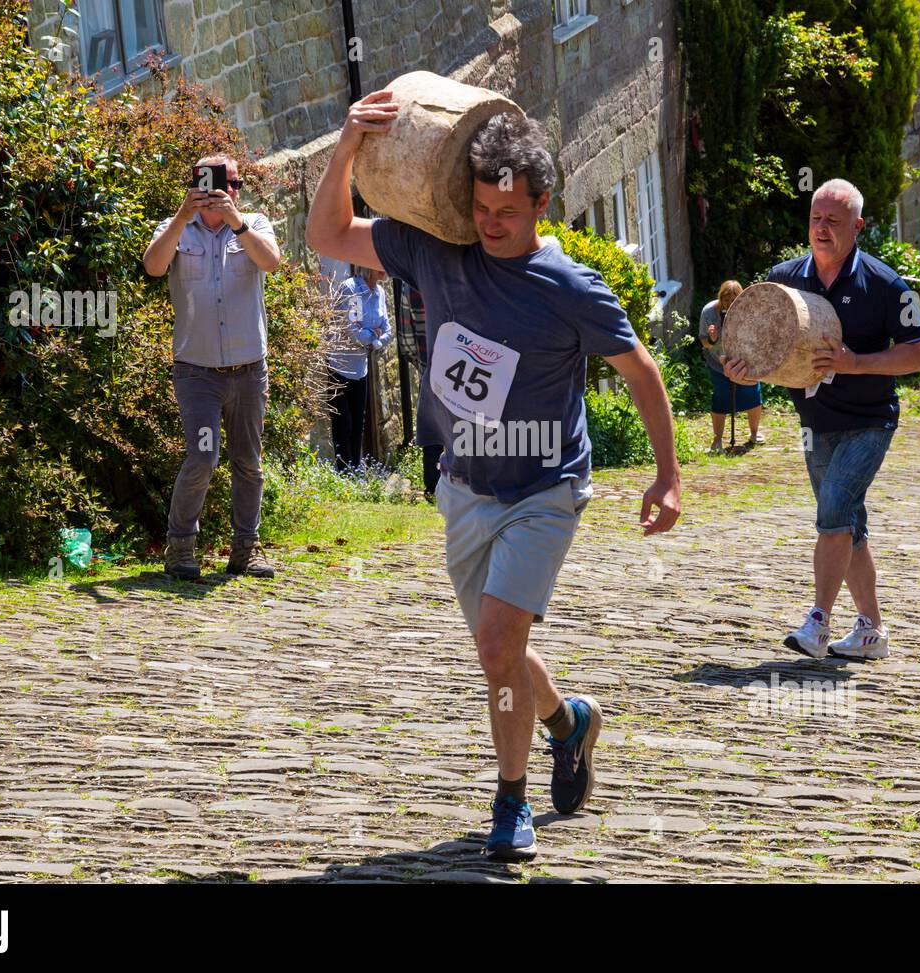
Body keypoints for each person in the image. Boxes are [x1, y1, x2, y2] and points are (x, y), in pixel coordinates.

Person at [306, 91, 681, 861]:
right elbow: (329, 233)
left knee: (497, 639)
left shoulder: (571, 286)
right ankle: (569, 723)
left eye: (506, 211)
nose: (490, 223)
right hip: (466, 484)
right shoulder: (435, 252)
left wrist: (667, 475)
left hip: (545, 487)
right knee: (496, 648)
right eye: (480, 208)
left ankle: (509, 802)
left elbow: (641, 371)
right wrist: (346, 145)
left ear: (541, 203)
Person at [723, 179, 920, 662]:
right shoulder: (784, 279)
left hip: (869, 421)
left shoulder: (884, 284)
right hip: (814, 421)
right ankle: (871, 631)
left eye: (833, 221)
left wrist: (857, 362)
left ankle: (817, 622)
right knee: (848, 525)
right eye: (816, 219)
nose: (821, 228)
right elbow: (765, 348)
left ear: (857, 227)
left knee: (834, 510)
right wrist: (743, 367)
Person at [143, 153, 282, 579]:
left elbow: (271, 262)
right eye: (216, 184)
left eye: (234, 184)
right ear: (195, 185)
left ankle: (246, 549)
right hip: (198, 372)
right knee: (202, 456)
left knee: (248, 461)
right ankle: (180, 550)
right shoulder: (176, 228)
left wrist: (236, 219)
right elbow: (153, 266)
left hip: (247, 369)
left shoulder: (254, 224)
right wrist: (184, 215)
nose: (226, 191)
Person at [327, 266, 392, 471]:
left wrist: (372, 338)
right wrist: (374, 334)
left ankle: (355, 472)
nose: (386, 267)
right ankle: (343, 473)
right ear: (367, 265)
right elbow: (355, 333)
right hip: (340, 365)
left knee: (358, 425)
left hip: (361, 366)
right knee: (343, 423)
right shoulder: (352, 290)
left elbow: (388, 331)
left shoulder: (380, 293)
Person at [699, 279, 763, 451]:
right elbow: (704, 342)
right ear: (720, 298)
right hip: (718, 361)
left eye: (734, 300)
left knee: (752, 392)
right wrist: (712, 339)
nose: (730, 304)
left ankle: (754, 433)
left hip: (745, 359)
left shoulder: (749, 310)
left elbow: (758, 337)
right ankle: (717, 440)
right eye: (726, 300)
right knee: (720, 396)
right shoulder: (709, 312)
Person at [394, 283, 443, 498]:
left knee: (432, 429)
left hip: (430, 366)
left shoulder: (411, 282)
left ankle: (433, 486)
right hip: (468, 365)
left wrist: (421, 364)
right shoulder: (465, 268)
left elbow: (406, 337)